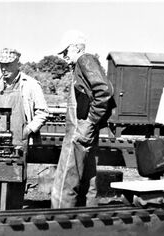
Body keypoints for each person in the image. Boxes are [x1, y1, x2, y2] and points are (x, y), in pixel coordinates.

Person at [51, 30, 114, 208]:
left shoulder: (84, 60)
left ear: (75, 48)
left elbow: (104, 91)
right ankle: (86, 221)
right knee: (88, 180)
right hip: (86, 128)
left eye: (65, 52)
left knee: (65, 181)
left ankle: (59, 224)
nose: (63, 57)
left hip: (81, 128)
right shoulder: (86, 62)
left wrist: (91, 122)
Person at [0, 48, 49, 210]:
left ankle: (14, 213)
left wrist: (29, 129)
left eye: (8, 65)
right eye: (2, 65)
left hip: (20, 139)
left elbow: (43, 112)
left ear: (17, 64)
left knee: (17, 178)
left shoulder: (31, 85)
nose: (4, 69)